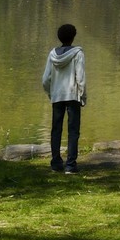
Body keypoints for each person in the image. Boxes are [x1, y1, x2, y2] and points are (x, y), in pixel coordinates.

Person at [41, 22, 86, 174]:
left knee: (56, 130)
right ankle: (71, 165)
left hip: (57, 95)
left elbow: (46, 79)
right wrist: (83, 96)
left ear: (59, 37)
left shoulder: (52, 54)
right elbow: (80, 78)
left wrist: (50, 93)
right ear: (73, 37)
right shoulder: (78, 53)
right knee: (73, 131)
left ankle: (55, 163)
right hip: (73, 95)